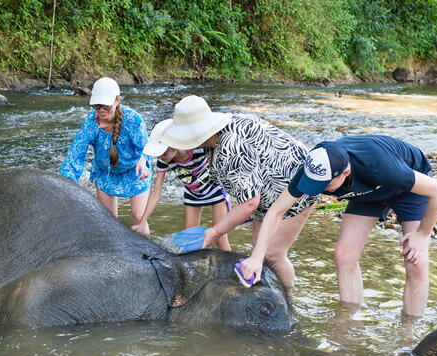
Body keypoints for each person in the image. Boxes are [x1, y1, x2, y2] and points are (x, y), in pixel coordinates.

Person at [242, 135, 437, 317]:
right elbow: (276, 211)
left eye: (326, 184)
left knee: (416, 262)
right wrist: (257, 257)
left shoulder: (378, 164)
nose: (320, 189)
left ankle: (410, 333)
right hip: (367, 193)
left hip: (407, 188)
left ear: (346, 171)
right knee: (344, 255)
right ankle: (349, 320)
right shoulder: (312, 167)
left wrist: (423, 234)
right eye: (316, 183)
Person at [154, 95, 317, 285]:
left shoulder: (231, 146)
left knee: (273, 254)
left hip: (300, 185)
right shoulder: (214, 141)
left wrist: (215, 232)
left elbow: (250, 202)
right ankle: (270, 293)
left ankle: (288, 302)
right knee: (258, 245)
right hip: (268, 192)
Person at [61, 77, 151, 229]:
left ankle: (149, 252)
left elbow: (146, 146)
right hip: (105, 173)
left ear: (117, 101)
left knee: (139, 216)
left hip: (134, 170)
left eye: (106, 106)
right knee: (108, 222)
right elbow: (76, 153)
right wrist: (68, 184)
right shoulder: (91, 123)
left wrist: (143, 160)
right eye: (97, 106)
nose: (101, 110)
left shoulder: (133, 119)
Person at [132, 120, 231, 251]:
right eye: (158, 154)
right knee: (188, 241)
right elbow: (156, 193)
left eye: (163, 153)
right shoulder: (163, 161)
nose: (161, 157)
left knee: (220, 237)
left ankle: (228, 269)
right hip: (193, 194)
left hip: (216, 191)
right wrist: (142, 222)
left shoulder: (198, 147)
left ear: (173, 143)